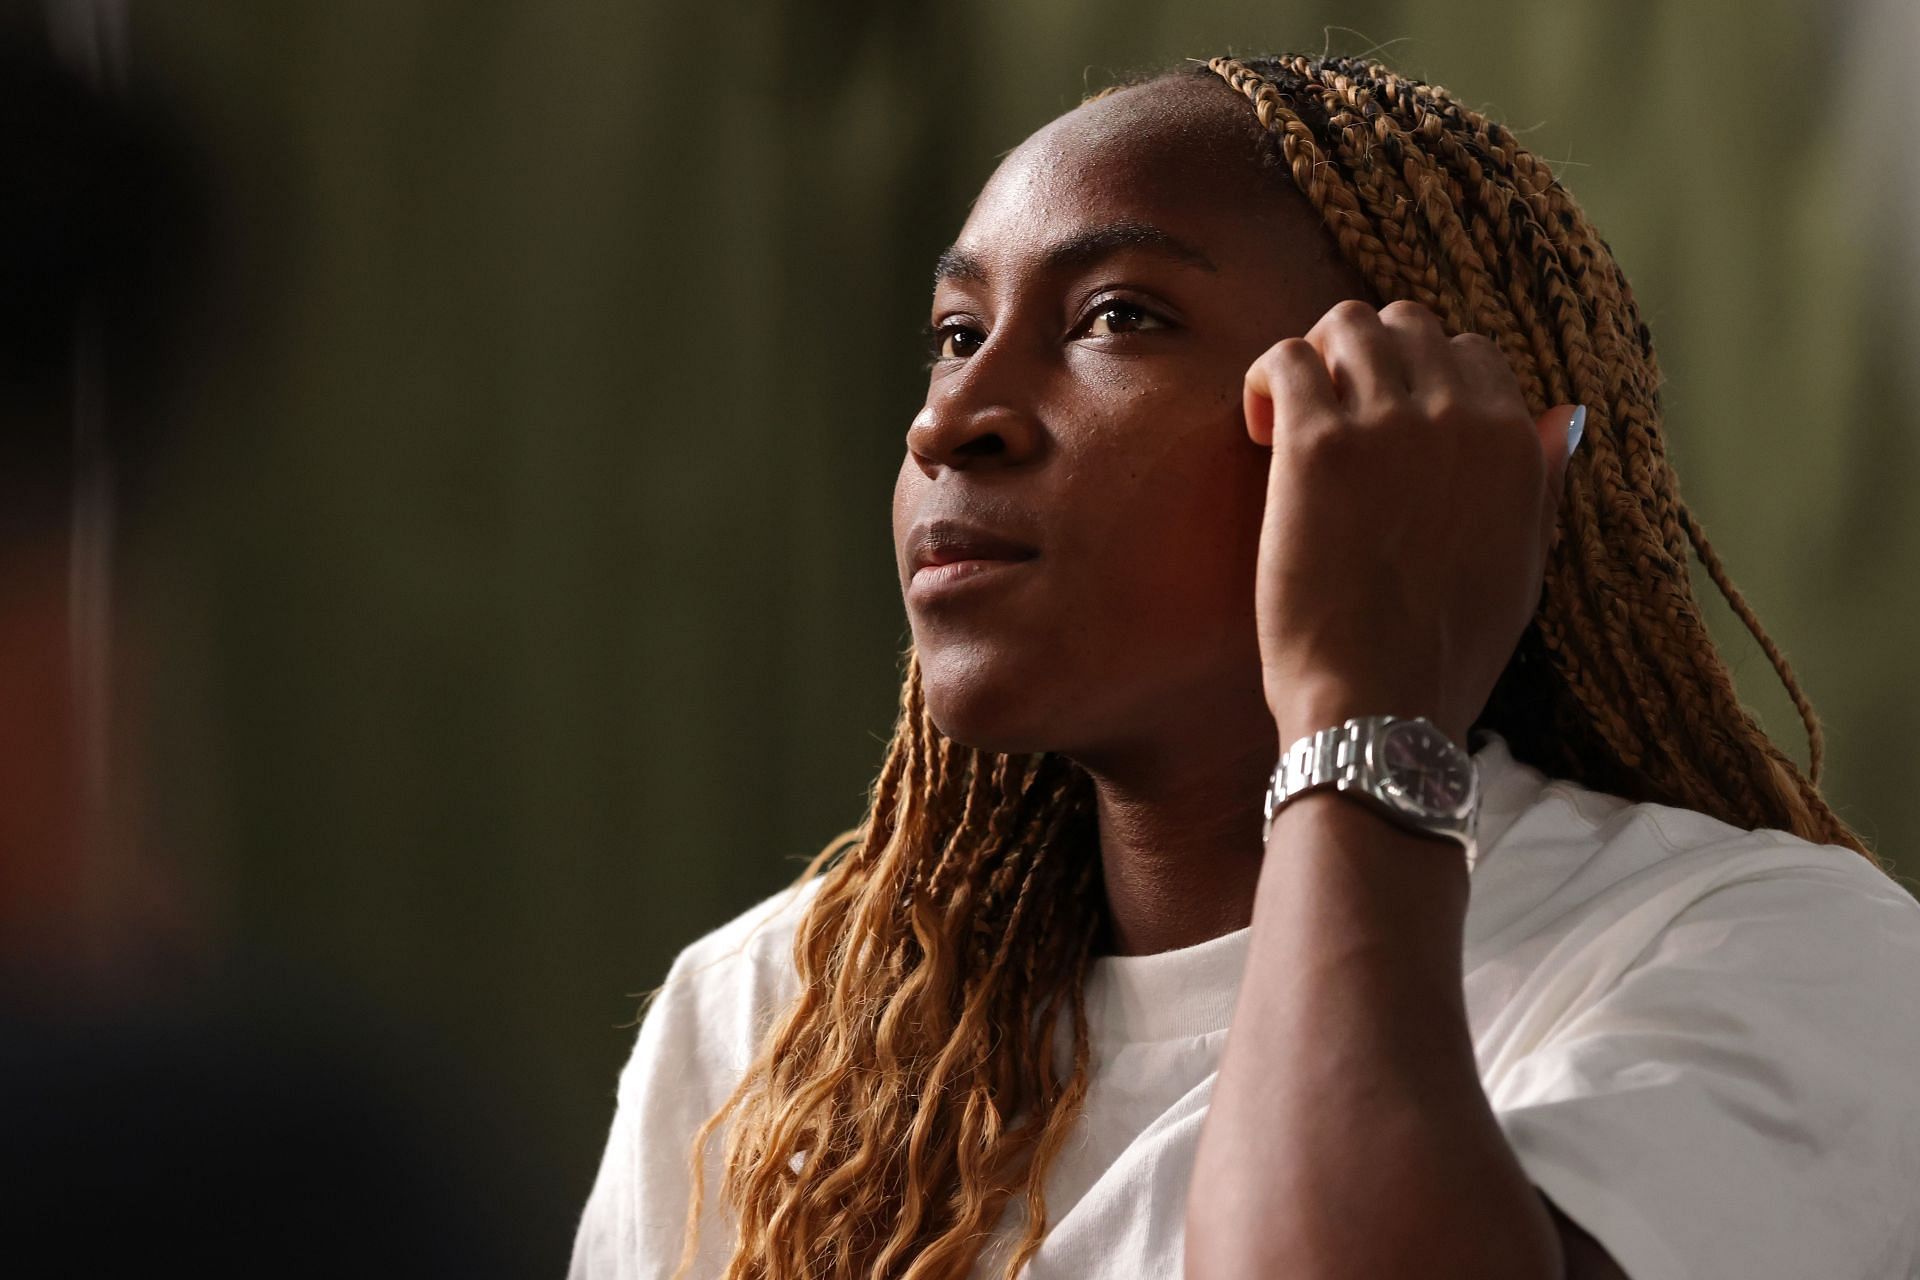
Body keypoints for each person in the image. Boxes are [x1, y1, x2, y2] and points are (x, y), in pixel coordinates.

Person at [570, 53, 1920, 1279]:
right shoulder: (774, 1019)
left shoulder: (1772, 958)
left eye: (1116, 318)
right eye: (956, 332)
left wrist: (1363, 715)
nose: (953, 419)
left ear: (1418, 440)